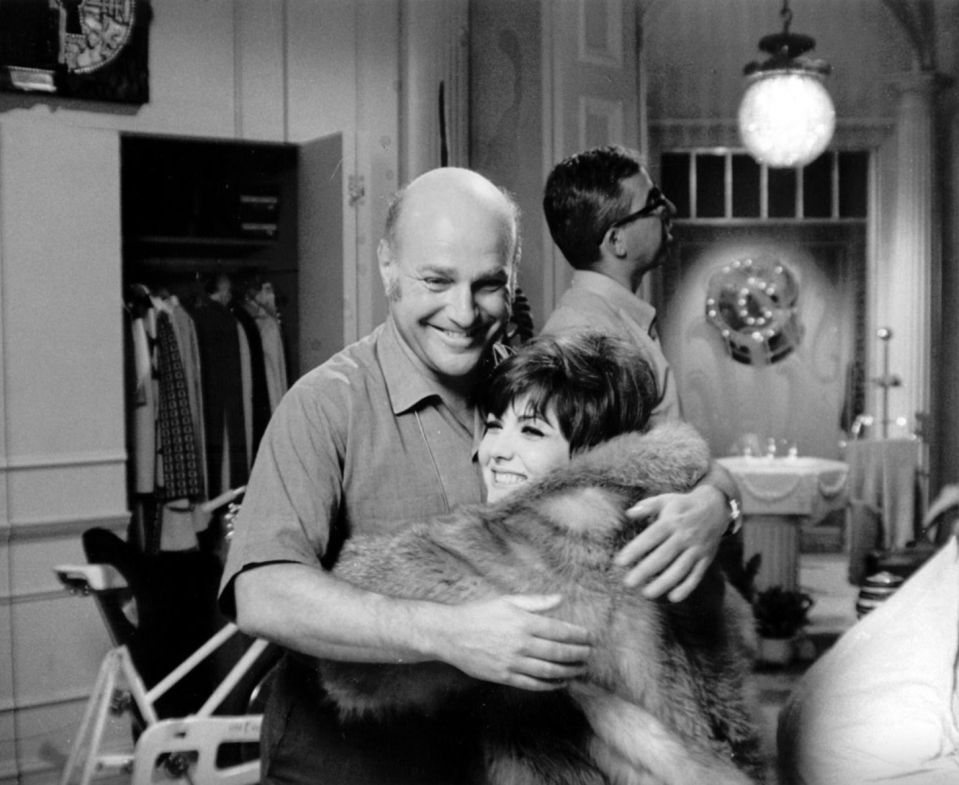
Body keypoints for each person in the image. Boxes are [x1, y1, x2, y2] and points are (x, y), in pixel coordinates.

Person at [220, 166, 737, 785]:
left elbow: (654, 458)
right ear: (388, 266)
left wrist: (716, 502)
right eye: (437, 280)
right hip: (343, 768)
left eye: (488, 284)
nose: (463, 313)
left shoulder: (531, 386)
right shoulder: (326, 404)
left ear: (512, 277)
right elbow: (263, 594)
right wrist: (448, 634)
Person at [540, 144, 742, 602]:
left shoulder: (617, 323)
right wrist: (719, 496)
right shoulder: (590, 342)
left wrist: (715, 499)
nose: (667, 209)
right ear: (616, 241)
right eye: (653, 203)